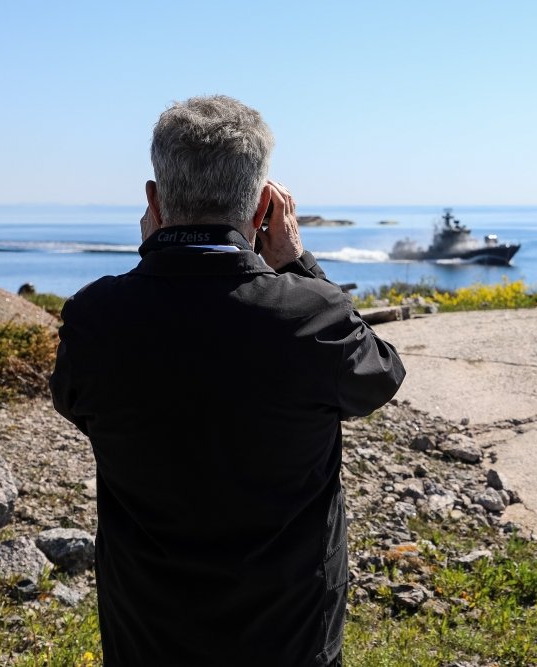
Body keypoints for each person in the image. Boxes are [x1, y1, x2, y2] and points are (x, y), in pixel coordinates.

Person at [51, 95, 405, 666]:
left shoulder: (95, 318)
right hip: (290, 632)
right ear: (266, 204)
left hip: (147, 630)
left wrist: (152, 264)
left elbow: (72, 398)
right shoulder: (311, 315)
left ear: (153, 200)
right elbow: (380, 376)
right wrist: (297, 266)